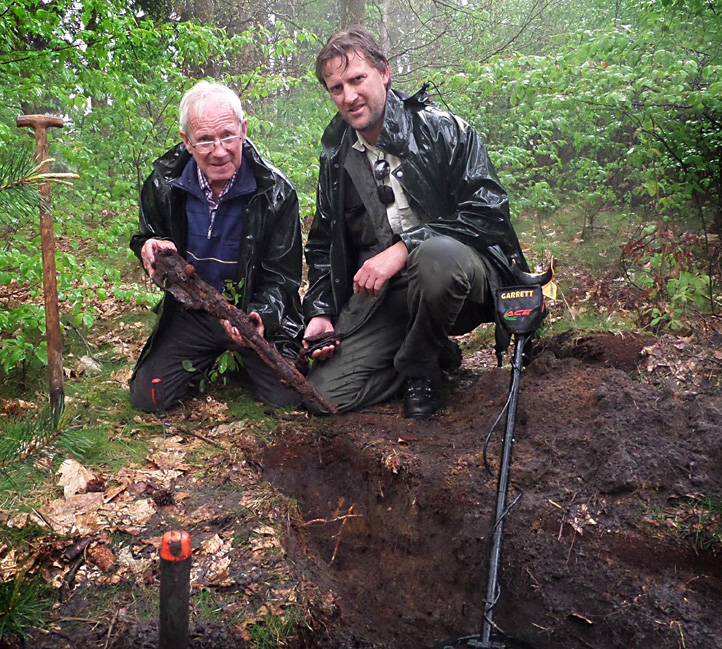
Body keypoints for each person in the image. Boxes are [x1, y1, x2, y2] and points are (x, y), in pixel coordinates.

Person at [302, 28, 529, 418]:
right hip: (388, 296)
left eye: (357, 80)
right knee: (322, 396)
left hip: (462, 280)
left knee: (435, 257)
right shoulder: (335, 155)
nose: (349, 96)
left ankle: (419, 369)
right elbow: (323, 243)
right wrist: (320, 311)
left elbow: (489, 211)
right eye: (336, 88)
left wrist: (404, 248)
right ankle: (429, 348)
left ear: (384, 73)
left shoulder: (442, 129)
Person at [128, 81, 303, 412]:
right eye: (205, 139)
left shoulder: (276, 193)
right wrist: (148, 247)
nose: (219, 150)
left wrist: (260, 315)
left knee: (288, 397)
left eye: (227, 135)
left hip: (249, 309)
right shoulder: (163, 183)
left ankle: (237, 360)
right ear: (187, 141)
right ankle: (208, 358)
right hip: (192, 312)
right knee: (149, 398)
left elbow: (283, 278)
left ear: (243, 130)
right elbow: (146, 235)